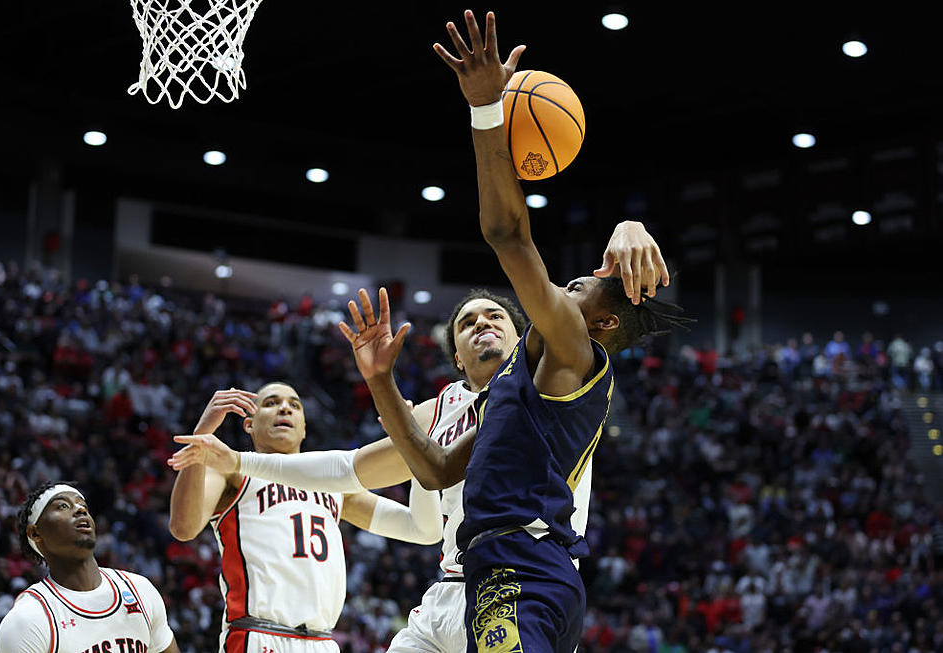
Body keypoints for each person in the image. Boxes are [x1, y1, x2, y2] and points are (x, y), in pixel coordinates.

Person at [335, 9, 691, 653]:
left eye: (577, 287)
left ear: (602, 321)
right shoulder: (516, 387)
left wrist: (486, 111)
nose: (561, 288)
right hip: (488, 572)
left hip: (522, 571)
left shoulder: (573, 351)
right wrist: (381, 382)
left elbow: (506, 234)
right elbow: (437, 470)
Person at [168, 217, 667, 652]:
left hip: (524, 575)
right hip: (449, 586)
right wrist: (385, 396)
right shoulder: (445, 407)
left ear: (525, 337)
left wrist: (629, 227)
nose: (481, 324)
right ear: (456, 355)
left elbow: (528, 253)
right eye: (467, 322)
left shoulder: (551, 385)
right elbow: (372, 474)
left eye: (496, 316)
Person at [166, 382, 443, 653]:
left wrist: (416, 447)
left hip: (321, 641)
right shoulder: (233, 471)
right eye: (271, 403)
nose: (285, 409)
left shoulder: (335, 487)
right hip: (259, 635)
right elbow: (183, 528)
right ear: (249, 424)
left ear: (304, 428)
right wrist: (202, 435)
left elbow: (421, 529)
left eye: (294, 405)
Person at [0, 481, 180, 653]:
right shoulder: (27, 620)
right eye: (63, 506)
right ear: (35, 532)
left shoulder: (139, 589)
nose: (79, 509)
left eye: (82, 505)